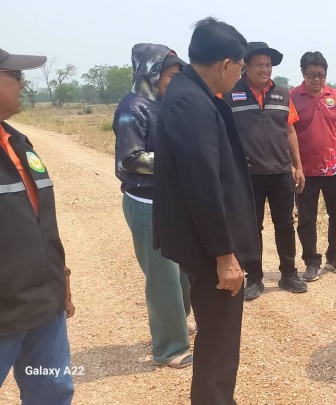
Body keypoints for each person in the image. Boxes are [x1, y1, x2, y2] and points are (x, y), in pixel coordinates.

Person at [153, 18, 255, 405]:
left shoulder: (189, 93)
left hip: (206, 241)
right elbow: (203, 185)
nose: (240, 76)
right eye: (241, 67)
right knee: (218, 343)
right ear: (226, 64)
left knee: (218, 339)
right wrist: (224, 255)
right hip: (208, 247)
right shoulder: (191, 103)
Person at [0, 47, 76, 404]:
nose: (22, 84)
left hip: (44, 306)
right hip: (5, 310)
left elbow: (38, 221)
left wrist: (60, 276)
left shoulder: (18, 141)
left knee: (52, 392)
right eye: (15, 76)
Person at [114, 44, 194, 369]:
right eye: (171, 75)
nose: (175, 82)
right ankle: (170, 347)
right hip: (145, 201)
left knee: (184, 270)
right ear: (151, 73)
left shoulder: (162, 105)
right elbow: (131, 158)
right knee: (163, 277)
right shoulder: (132, 108)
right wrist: (176, 161)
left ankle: (179, 320)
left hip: (170, 201)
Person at [221, 42, 307, 300]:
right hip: (248, 174)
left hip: (281, 172)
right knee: (251, 227)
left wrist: (298, 165)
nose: (265, 69)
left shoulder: (282, 94)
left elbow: (290, 131)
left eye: (268, 65)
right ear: (246, 66)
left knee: (285, 224)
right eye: (259, 65)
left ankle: (288, 273)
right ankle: (254, 277)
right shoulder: (230, 93)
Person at [290, 51, 336, 282]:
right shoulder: (292, 97)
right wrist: (294, 166)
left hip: (335, 169)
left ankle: (335, 256)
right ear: (303, 73)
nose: (317, 79)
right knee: (306, 218)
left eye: (321, 74)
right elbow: (287, 133)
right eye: (312, 74)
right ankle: (311, 261)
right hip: (305, 171)